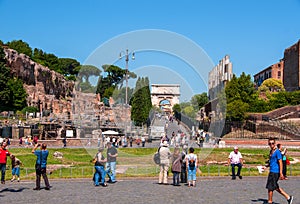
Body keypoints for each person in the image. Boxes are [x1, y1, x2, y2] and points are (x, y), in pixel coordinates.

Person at [264, 138, 293, 204]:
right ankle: (288, 197)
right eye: (270, 143)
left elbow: (280, 162)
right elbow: (271, 162)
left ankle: (270, 201)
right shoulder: (271, 152)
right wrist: (265, 166)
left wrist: (281, 173)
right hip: (271, 171)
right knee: (273, 187)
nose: (271, 145)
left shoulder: (277, 152)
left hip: (275, 172)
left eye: (272, 143)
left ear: (275, 144)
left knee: (270, 188)